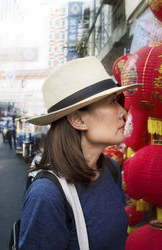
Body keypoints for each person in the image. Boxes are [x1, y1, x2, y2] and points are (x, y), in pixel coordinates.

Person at [19, 56, 141, 250]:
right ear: (78, 120)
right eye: (111, 102)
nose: (123, 112)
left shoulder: (110, 169)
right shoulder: (47, 195)